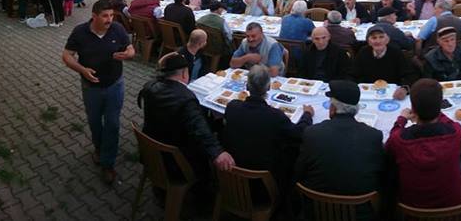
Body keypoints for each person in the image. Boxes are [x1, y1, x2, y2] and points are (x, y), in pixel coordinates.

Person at [61, 0, 136, 183]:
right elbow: (66, 55)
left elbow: (130, 48)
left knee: (112, 123)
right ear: (94, 16)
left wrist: (128, 55)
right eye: (105, 16)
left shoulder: (117, 29)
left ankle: (107, 163)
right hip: (91, 88)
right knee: (94, 122)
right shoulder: (80, 32)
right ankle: (98, 148)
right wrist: (82, 70)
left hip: (114, 85)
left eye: (111, 15)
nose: (109, 19)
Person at [138, 53, 234, 188]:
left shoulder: (150, 87)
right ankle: (202, 193)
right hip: (176, 161)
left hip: (151, 151)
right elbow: (199, 128)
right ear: (184, 74)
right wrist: (218, 152)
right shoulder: (185, 98)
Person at [384, 79, 461, 209]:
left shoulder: (399, 140)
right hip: (454, 209)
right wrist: (434, 111)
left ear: (413, 108)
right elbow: (450, 123)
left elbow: (390, 142)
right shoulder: (456, 132)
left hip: (412, 210)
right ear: (440, 105)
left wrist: (401, 119)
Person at [224, 65, 313, 193]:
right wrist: (307, 115)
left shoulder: (232, 107)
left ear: (247, 86)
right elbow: (299, 133)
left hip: (232, 175)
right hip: (265, 184)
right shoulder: (275, 116)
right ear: (269, 87)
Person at [295, 80, 385, 201]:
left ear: (333, 108)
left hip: (315, 208)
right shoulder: (373, 136)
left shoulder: (312, 133)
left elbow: (299, 171)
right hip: (362, 211)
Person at [353, 26, 418, 98]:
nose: (378, 41)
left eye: (381, 37)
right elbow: (354, 73)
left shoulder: (396, 52)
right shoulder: (363, 52)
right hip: (369, 93)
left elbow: (410, 74)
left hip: (392, 93)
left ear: (387, 40)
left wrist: (405, 88)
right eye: (374, 38)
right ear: (369, 42)